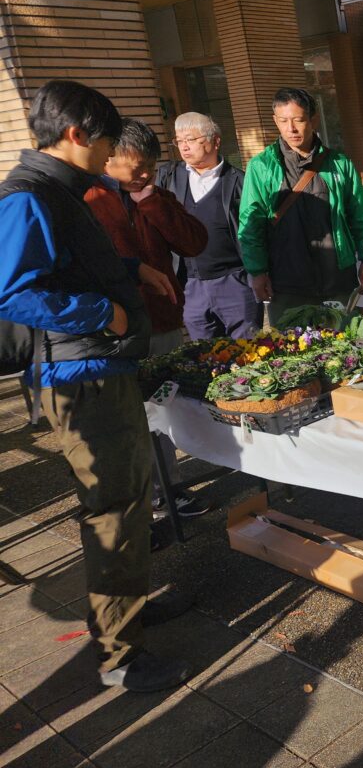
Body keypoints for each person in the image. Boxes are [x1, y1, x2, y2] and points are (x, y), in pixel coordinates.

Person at [0, 81, 193, 691]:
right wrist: (100, 313)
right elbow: (14, 290)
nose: (111, 153)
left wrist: (132, 270)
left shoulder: (62, 191)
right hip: (78, 373)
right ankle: (121, 657)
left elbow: (68, 262)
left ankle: (125, 612)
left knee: (129, 499)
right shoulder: (28, 197)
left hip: (100, 369)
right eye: (106, 139)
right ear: (78, 134)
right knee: (113, 506)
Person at [85, 118, 211, 521]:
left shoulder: (155, 195)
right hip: (117, 329)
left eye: (151, 167)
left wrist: (152, 201)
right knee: (129, 417)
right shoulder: (87, 199)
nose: (144, 174)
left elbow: (194, 241)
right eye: (137, 166)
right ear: (110, 159)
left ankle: (168, 489)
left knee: (165, 404)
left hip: (163, 319)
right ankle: (145, 496)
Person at [238, 87, 363, 325]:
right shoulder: (261, 167)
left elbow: (359, 217)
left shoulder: (339, 164)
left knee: (344, 349)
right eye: (283, 121)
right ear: (275, 121)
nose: (291, 129)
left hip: (337, 278)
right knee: (294, 355)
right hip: (286, 282)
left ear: (313, 119)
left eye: (298, 120)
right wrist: (258, 271)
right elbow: (251, 224)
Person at [158, 112, 259, 340]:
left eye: (191, 140)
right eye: (179, 141)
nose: (184, 147)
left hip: (234, 281)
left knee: (249, 352)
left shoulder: (239, 181)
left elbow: (254, 232)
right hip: (190, 284)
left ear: (215, 140)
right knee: (204, 358)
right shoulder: (169, 177)